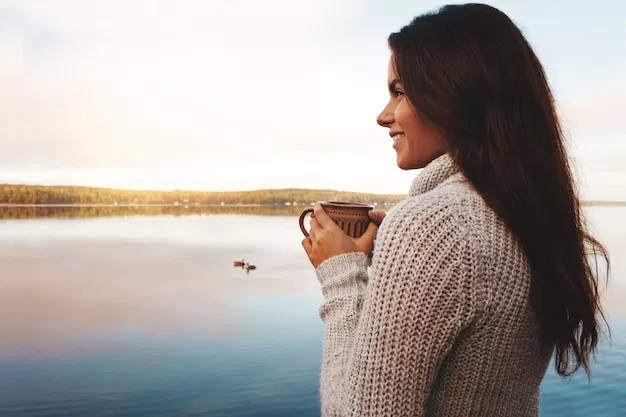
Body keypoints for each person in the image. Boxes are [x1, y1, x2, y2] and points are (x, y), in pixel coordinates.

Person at [300, 3, 610, 417]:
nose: (383, 115)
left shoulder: (434, 229)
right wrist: (397, 259)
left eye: (399, 92)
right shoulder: (525, 216)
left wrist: (342, 277)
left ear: (453, 95)